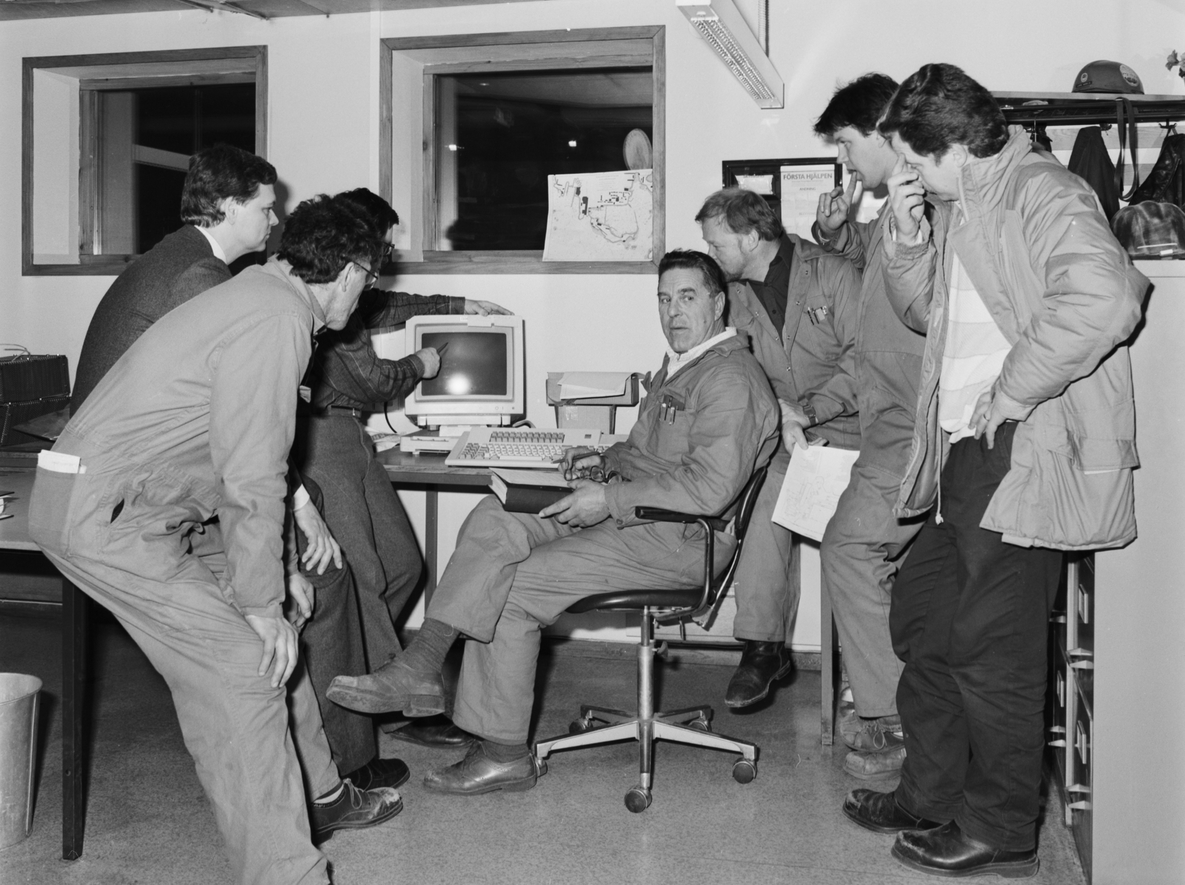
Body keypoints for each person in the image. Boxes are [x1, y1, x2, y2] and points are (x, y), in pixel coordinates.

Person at [30, 196, 405, 885]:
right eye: (371, 279)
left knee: (277, 635)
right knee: (248, 666)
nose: (367, 293)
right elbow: (252, 472)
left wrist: (277, 577)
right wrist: (260, 603)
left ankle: (321, 794)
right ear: (351, 272)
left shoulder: (265, 294)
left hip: (156, 505)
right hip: (105, 515)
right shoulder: (276, 319)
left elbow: (247, 449)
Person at [326, 250, 780, 795]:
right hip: (639, 516)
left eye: (687, 297)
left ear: (718, 303)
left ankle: (504, 754)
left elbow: (708, 488)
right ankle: (422, 663)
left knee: (512, 586)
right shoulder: (685, 365)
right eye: (664, 299)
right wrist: (603, 460)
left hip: (679, 539)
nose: (673, 311)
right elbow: (647, 453)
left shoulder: (730, 379)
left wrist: (607, 499)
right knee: (497, 515)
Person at [843, 64, 1147, 879]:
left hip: (1019, 447)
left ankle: (1001, 830)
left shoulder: (1041, 191)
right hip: (960, 449)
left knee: (993, 647)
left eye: (915, 160)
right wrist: (907, 234)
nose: (909, 174)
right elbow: (928, 315)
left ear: (953, 148)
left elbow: (1106, 299)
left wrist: (1011, 389)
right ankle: (931, 795)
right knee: (924, 622)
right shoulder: (965, 205)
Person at [293, 187, 510, 761]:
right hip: (320, 438)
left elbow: (391, 305)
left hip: (350, 434)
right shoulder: (330, 300)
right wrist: (422, 363)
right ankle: (358, 722)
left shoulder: (355, 294)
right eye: (382, 252)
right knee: (360, 576)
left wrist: (458, 304)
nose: (386, 264)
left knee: (403, 564)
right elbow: (372, 382)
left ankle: (373, 679)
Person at [696, 188, 860, 708]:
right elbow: (729, 368)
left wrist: (807, 411)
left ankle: (867, 668)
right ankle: (762, 647)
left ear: (750, 238)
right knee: (760, 500)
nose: (711, 254)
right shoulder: (732, 297)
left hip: (855, 432)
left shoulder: (833, 274)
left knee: (853, 537)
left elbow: (867, 362)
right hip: (785, 437)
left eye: (717, 244)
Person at [811, 74, 928, 783]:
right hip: (889, 416)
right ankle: (907, 714)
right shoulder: (898, 206)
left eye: (847, 144)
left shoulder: (928, 201)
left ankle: (893, 720)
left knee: (850, 547)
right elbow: (884, 263)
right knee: (891, 568)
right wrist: (837, 233)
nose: (845, 161)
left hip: (910, 421)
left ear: (884, 130)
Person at [71, 143, 279, 413]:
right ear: (231, 209)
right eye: (266, 209)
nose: (274, 220)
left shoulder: (183, 252)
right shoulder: (198, 270)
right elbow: (240, 377)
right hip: (121, 436)